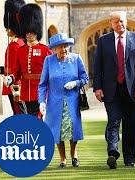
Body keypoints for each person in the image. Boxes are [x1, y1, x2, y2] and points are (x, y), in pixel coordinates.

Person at [93, 11, 135, 169]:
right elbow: (97, 67)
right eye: (116, 22)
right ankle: (112, 151)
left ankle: (130, 158)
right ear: (110, 23)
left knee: (131, 125)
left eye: (122, 21)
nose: (120, 24)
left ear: (127, 21)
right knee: (113, 121)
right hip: (111, 90)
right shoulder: (103, 41)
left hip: (132, 90)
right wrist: (97, 87)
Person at [38, 33, 89, 168]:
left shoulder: (76, 59)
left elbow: (85, 78)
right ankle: (63, 158)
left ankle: (74, 154)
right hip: (54, 102)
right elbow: (43, 84)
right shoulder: (49, 61)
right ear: (54, 49)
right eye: (60, 47)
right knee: (57, 130)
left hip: (72, 101)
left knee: (73, 129)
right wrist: (42, 101)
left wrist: (75, 83)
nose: (64, 50)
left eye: (65, 46)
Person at [4, 3, 52, 116]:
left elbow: (51, 71)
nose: (29, 34)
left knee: (36, 119)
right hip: (25, 92)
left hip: (40, 91)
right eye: (27, 32)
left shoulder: (45, 50)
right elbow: (17, 71)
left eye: (32, 32)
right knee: (29, 118)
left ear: (37, 32)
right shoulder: (21, 50)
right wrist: (11, 78)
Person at [2, 0, 25, 115]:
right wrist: (0, 69)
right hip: (13, 84)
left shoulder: (16, 44)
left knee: (20, 116)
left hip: (15, 86)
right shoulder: (19, 43)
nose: (6, 30)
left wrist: (16, 87)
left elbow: (18, 69)